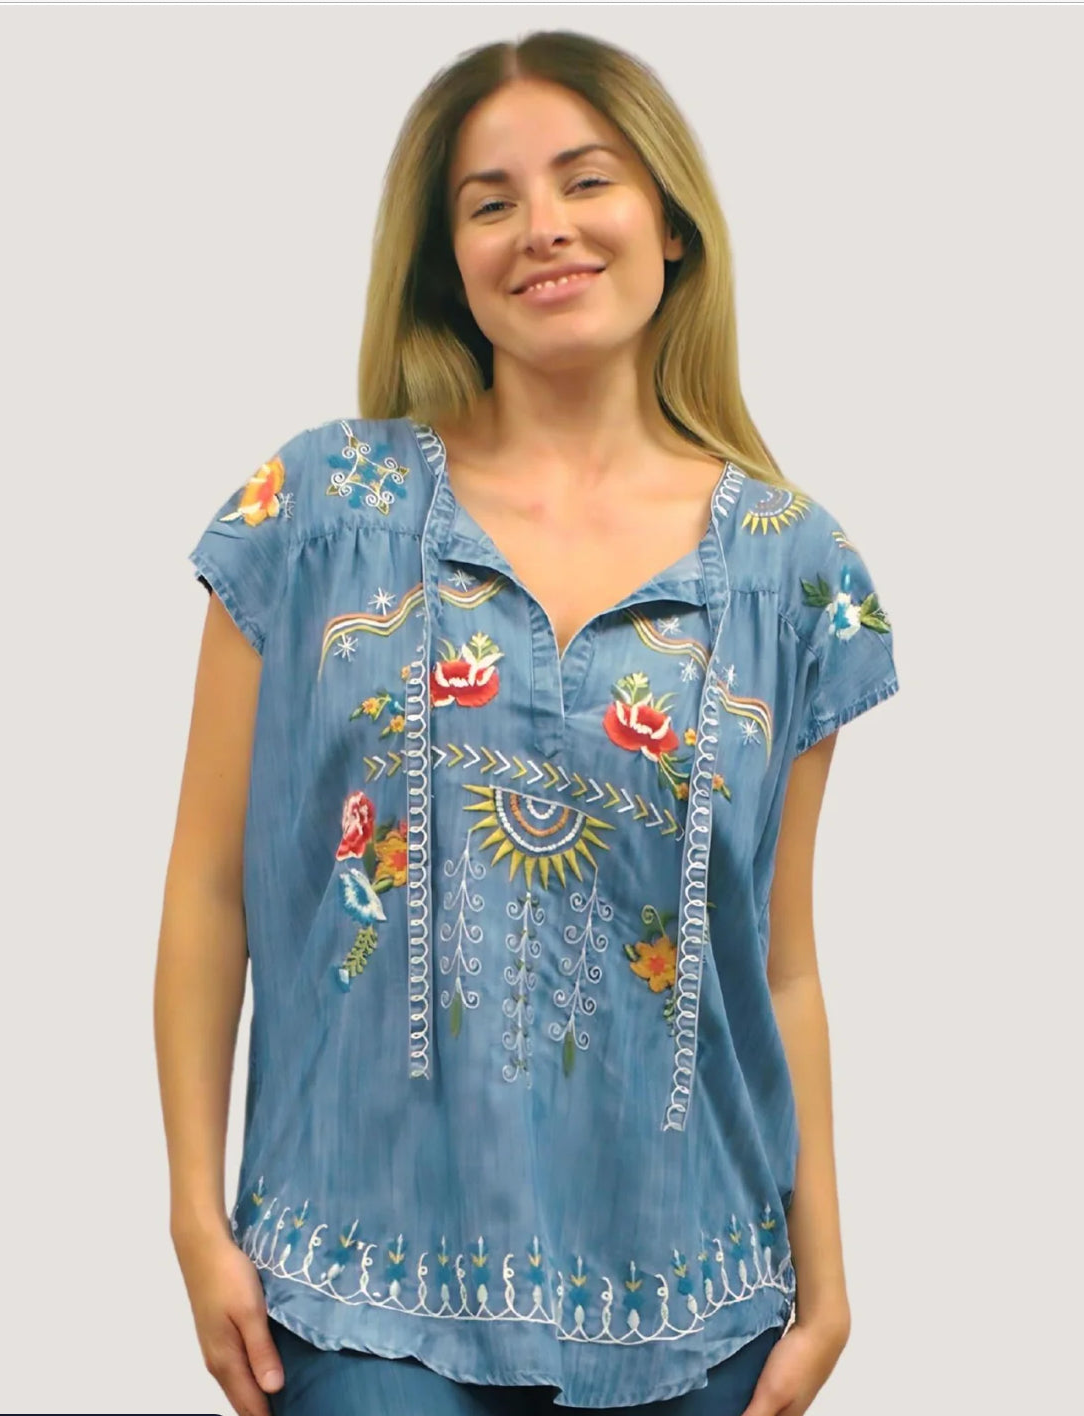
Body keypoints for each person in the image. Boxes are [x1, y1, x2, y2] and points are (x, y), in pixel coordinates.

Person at [155, 29, 899, 1416]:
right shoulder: (316, 512)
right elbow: (208, 891)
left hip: (693, 1302)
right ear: (448, 262)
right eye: (489, 202)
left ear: (670, 223)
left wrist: (830, 1281)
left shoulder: (794, 571)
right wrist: (196, 1221)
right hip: (356, 1285)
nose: (542, 226)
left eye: (585, 179)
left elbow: (779, 961)